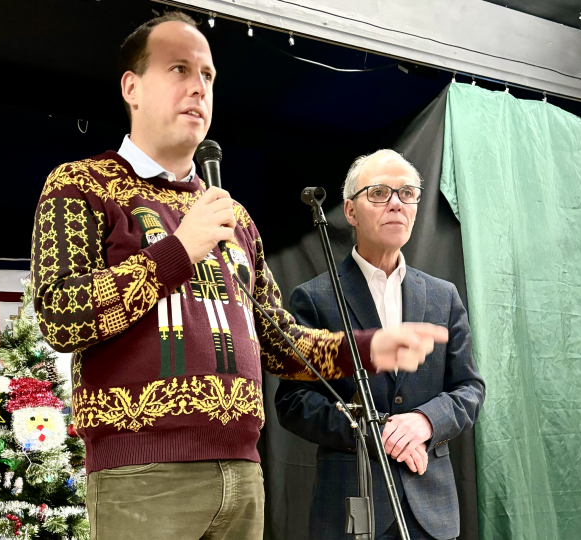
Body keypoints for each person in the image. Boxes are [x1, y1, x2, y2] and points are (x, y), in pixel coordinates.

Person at [30, 12, 448, 540]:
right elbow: (62, 316)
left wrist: (367, 348)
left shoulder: (235, 216)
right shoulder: (80, 184)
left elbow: (280, 342)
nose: (198, 88)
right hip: (143, 477)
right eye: (178, 69)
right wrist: (181, 249)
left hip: (243, 474)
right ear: (132, 88)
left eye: (207, 76)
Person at [274, 149, 485, 540]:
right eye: (379, 193)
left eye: (407, 194)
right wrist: (377, 431)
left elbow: (470, 389)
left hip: (431, 512)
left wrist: (424, 421)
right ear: (351, 211)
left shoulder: (443, 296)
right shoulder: (316, 297)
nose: (396, 204)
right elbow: (294, 402)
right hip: (352, 508)